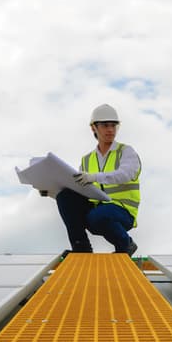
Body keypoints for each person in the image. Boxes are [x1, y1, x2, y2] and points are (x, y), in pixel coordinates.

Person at [50, 103, 141, 255]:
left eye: (114, 125)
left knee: (98, 215)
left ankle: (126, 244)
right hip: (97, 212)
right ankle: (81, 248)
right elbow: (80, 191)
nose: (110, 129)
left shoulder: (126, 152)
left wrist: (94, 177)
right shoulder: (87, 160)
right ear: (94, 128)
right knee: (65, 197)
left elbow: (125, 174)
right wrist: (51, 190)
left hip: (123, 212)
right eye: (105, 125)